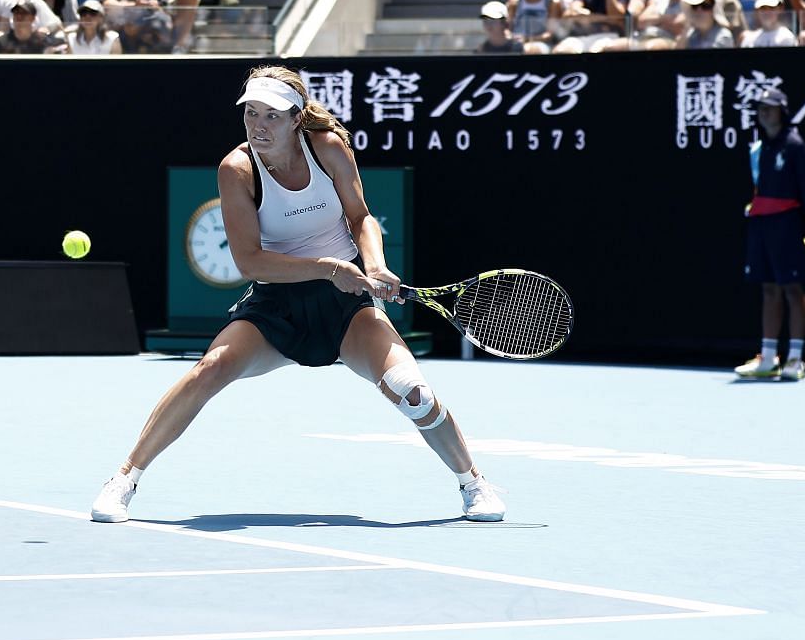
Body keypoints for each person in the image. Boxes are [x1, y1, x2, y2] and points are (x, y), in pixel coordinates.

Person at [90, 68, 505, 526]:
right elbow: (249, 262)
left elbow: (361, 216)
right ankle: (123, 480)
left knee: (414, 393)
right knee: (210, 369)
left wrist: (376, 264)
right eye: (251, 113)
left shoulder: (328, 148)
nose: (258, 125)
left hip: (348, 311)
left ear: (295, 118)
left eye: (271, 115)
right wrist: (327, 269)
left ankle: (474, 484)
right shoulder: (237, 169)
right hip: (276, 307)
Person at [734, 86, 805, 383]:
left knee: (792, 289)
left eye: (769, 108)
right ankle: (769, 357)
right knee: (768, 288)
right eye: (760, 108)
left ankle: (795, 357)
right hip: (762, 226)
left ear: (782, 111)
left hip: (788, 227)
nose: (763, 113)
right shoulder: (760, 148)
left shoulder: (794, 145)